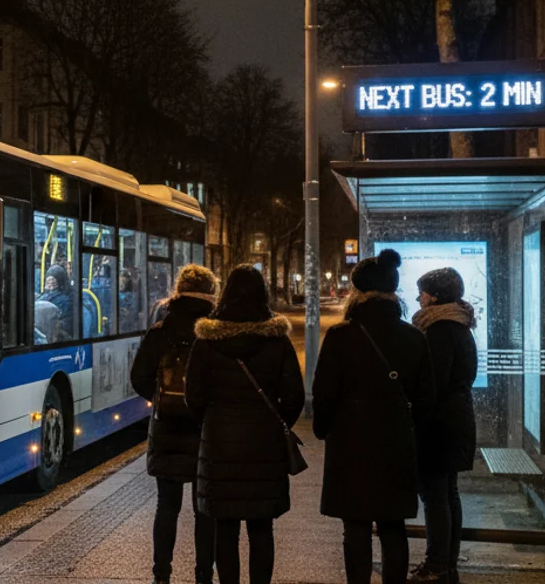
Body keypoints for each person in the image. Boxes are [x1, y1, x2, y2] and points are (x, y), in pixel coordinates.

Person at [313, 249, 434, 584]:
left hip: (350, 438)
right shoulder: (413, 337)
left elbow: (323, 393)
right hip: (396, 438)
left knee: (356, 525)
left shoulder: (340, 336)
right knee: (393, 525)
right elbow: (426, 398)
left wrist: (324, 430)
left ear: (357, 293)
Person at [185, 264, 305, 584]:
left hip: (220, 444)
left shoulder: (207, 340)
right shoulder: (277, 341)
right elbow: (294, 396)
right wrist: (275, 422)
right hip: (264, 443)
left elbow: (193, 397)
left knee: (224, 526)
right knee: (261, 526)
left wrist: (213, 422)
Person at [130, 264, 220, 584]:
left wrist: (161, 399)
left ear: (178, 291)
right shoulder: (215, 330)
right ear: (211, 294)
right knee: (204, 510)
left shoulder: (160, 331)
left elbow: (138, 377)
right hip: (205, 430)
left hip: (167, 429)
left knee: (166, 506)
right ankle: (203, 575)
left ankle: (162, 575)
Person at [410, 268, 478, 584]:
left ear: (435, 296)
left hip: (439, 425)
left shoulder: (438, 330)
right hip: (457, 419)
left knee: (435, 495)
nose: (419, 297)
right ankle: (446, 563)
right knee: (448, 493)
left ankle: (436, 564)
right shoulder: (461, 327)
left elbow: (431, 384)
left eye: (422, 292)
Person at [37, 265, 74, 340]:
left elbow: (67, 323)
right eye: (48, 282)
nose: (50, 285)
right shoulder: (42, 296)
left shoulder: (66, 300)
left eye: (53, 282)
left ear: (60, 282)